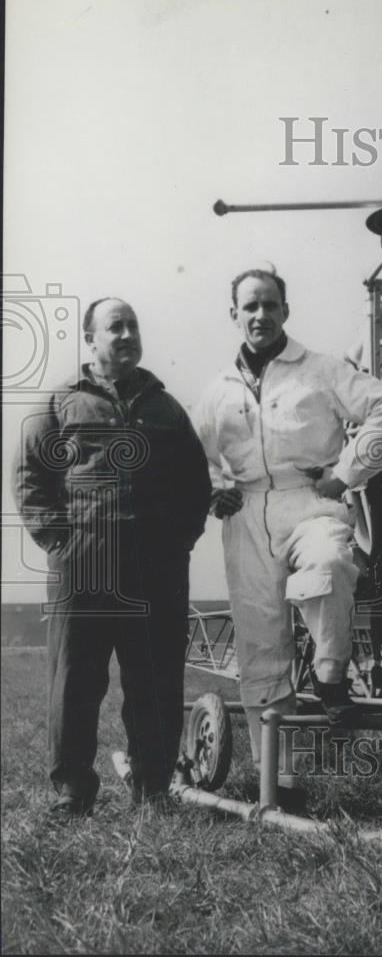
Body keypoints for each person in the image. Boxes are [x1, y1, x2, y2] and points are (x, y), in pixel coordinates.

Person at [195, 265, 382, 798]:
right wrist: (212, 487)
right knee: (260, 643)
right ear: (234, 315)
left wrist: (347, 473)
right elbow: (192, 453)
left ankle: (330, 674)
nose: (261, 315)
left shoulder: (320, 369)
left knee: (331, 566)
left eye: (270, 305)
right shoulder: (218, 389)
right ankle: (282, 782)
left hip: (314, 501)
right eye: (250, 306)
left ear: (285, 311)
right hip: (246, 514)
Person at [14, 298, 211, 816]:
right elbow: (30, 479)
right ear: (91, 340)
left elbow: (196, 484)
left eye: (133, 325)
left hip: (155, 572)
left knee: (156, 683)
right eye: (114, 326)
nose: (126, 334)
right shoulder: (60, 404)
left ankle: (152, 790)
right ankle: (72, 792)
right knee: (75, 683)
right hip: (84, 570)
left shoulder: (167, 408)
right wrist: (62, 544)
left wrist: (178, 544)